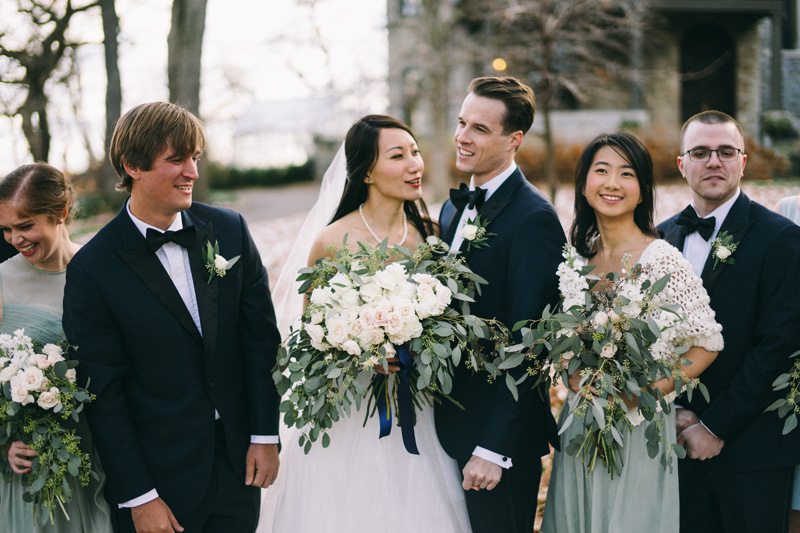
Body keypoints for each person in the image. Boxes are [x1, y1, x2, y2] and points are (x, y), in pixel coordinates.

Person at [62, 102, 282, 533]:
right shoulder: (93, 269)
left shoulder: (230, 229)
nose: (192, 172)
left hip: (239, 467)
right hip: (159, 483)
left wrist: (263, 434)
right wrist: (140, 497)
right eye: (176, 159)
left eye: (195, 158)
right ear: (133, 166)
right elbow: (103, 395)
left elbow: (260, 340)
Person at [258, 114, 471, 533]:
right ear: (368, 172)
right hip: (352, 413)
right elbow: (312, 335)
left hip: (419, 407)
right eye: (398, 155)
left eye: (415, 152)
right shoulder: (332, 240)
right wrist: (360, 353)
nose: (414, 164)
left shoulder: (430, 236)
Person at [540, 133, 723, 532]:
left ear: (641, 192)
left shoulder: (662, 260)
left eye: (626, 174)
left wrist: (645, 392)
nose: (612, 183)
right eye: (601, 171)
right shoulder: (578, 261)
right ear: (584, 184)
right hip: (581, 422)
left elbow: (707, 343)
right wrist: (570, 368)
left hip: (638, 427)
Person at [659, 110, 800, 533]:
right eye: (700, 152)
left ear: (743, 161)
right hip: (673, 449)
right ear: (682, 164)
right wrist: (678, 415)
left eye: (725, 151)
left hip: (753, 451)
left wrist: (714, 426)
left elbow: (779, 345)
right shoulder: (659, 238)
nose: (714, 162)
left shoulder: (780, 239)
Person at [434, 76, 564, 533]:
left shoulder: (534, 219)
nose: (463, 137)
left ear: (514, 141)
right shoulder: (452, 210)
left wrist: (493, 448)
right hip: (448, 430)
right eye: (461, 123)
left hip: (496, 448)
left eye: (480, 129)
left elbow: (530, 345)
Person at [0, 163, 113, 532]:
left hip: (101, 453)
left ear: (61, 213)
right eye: (6, 229)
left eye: (26, 225)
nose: (16, 238)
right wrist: (4, 445)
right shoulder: (1, 282)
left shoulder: (101, 270)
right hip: (29, 467)